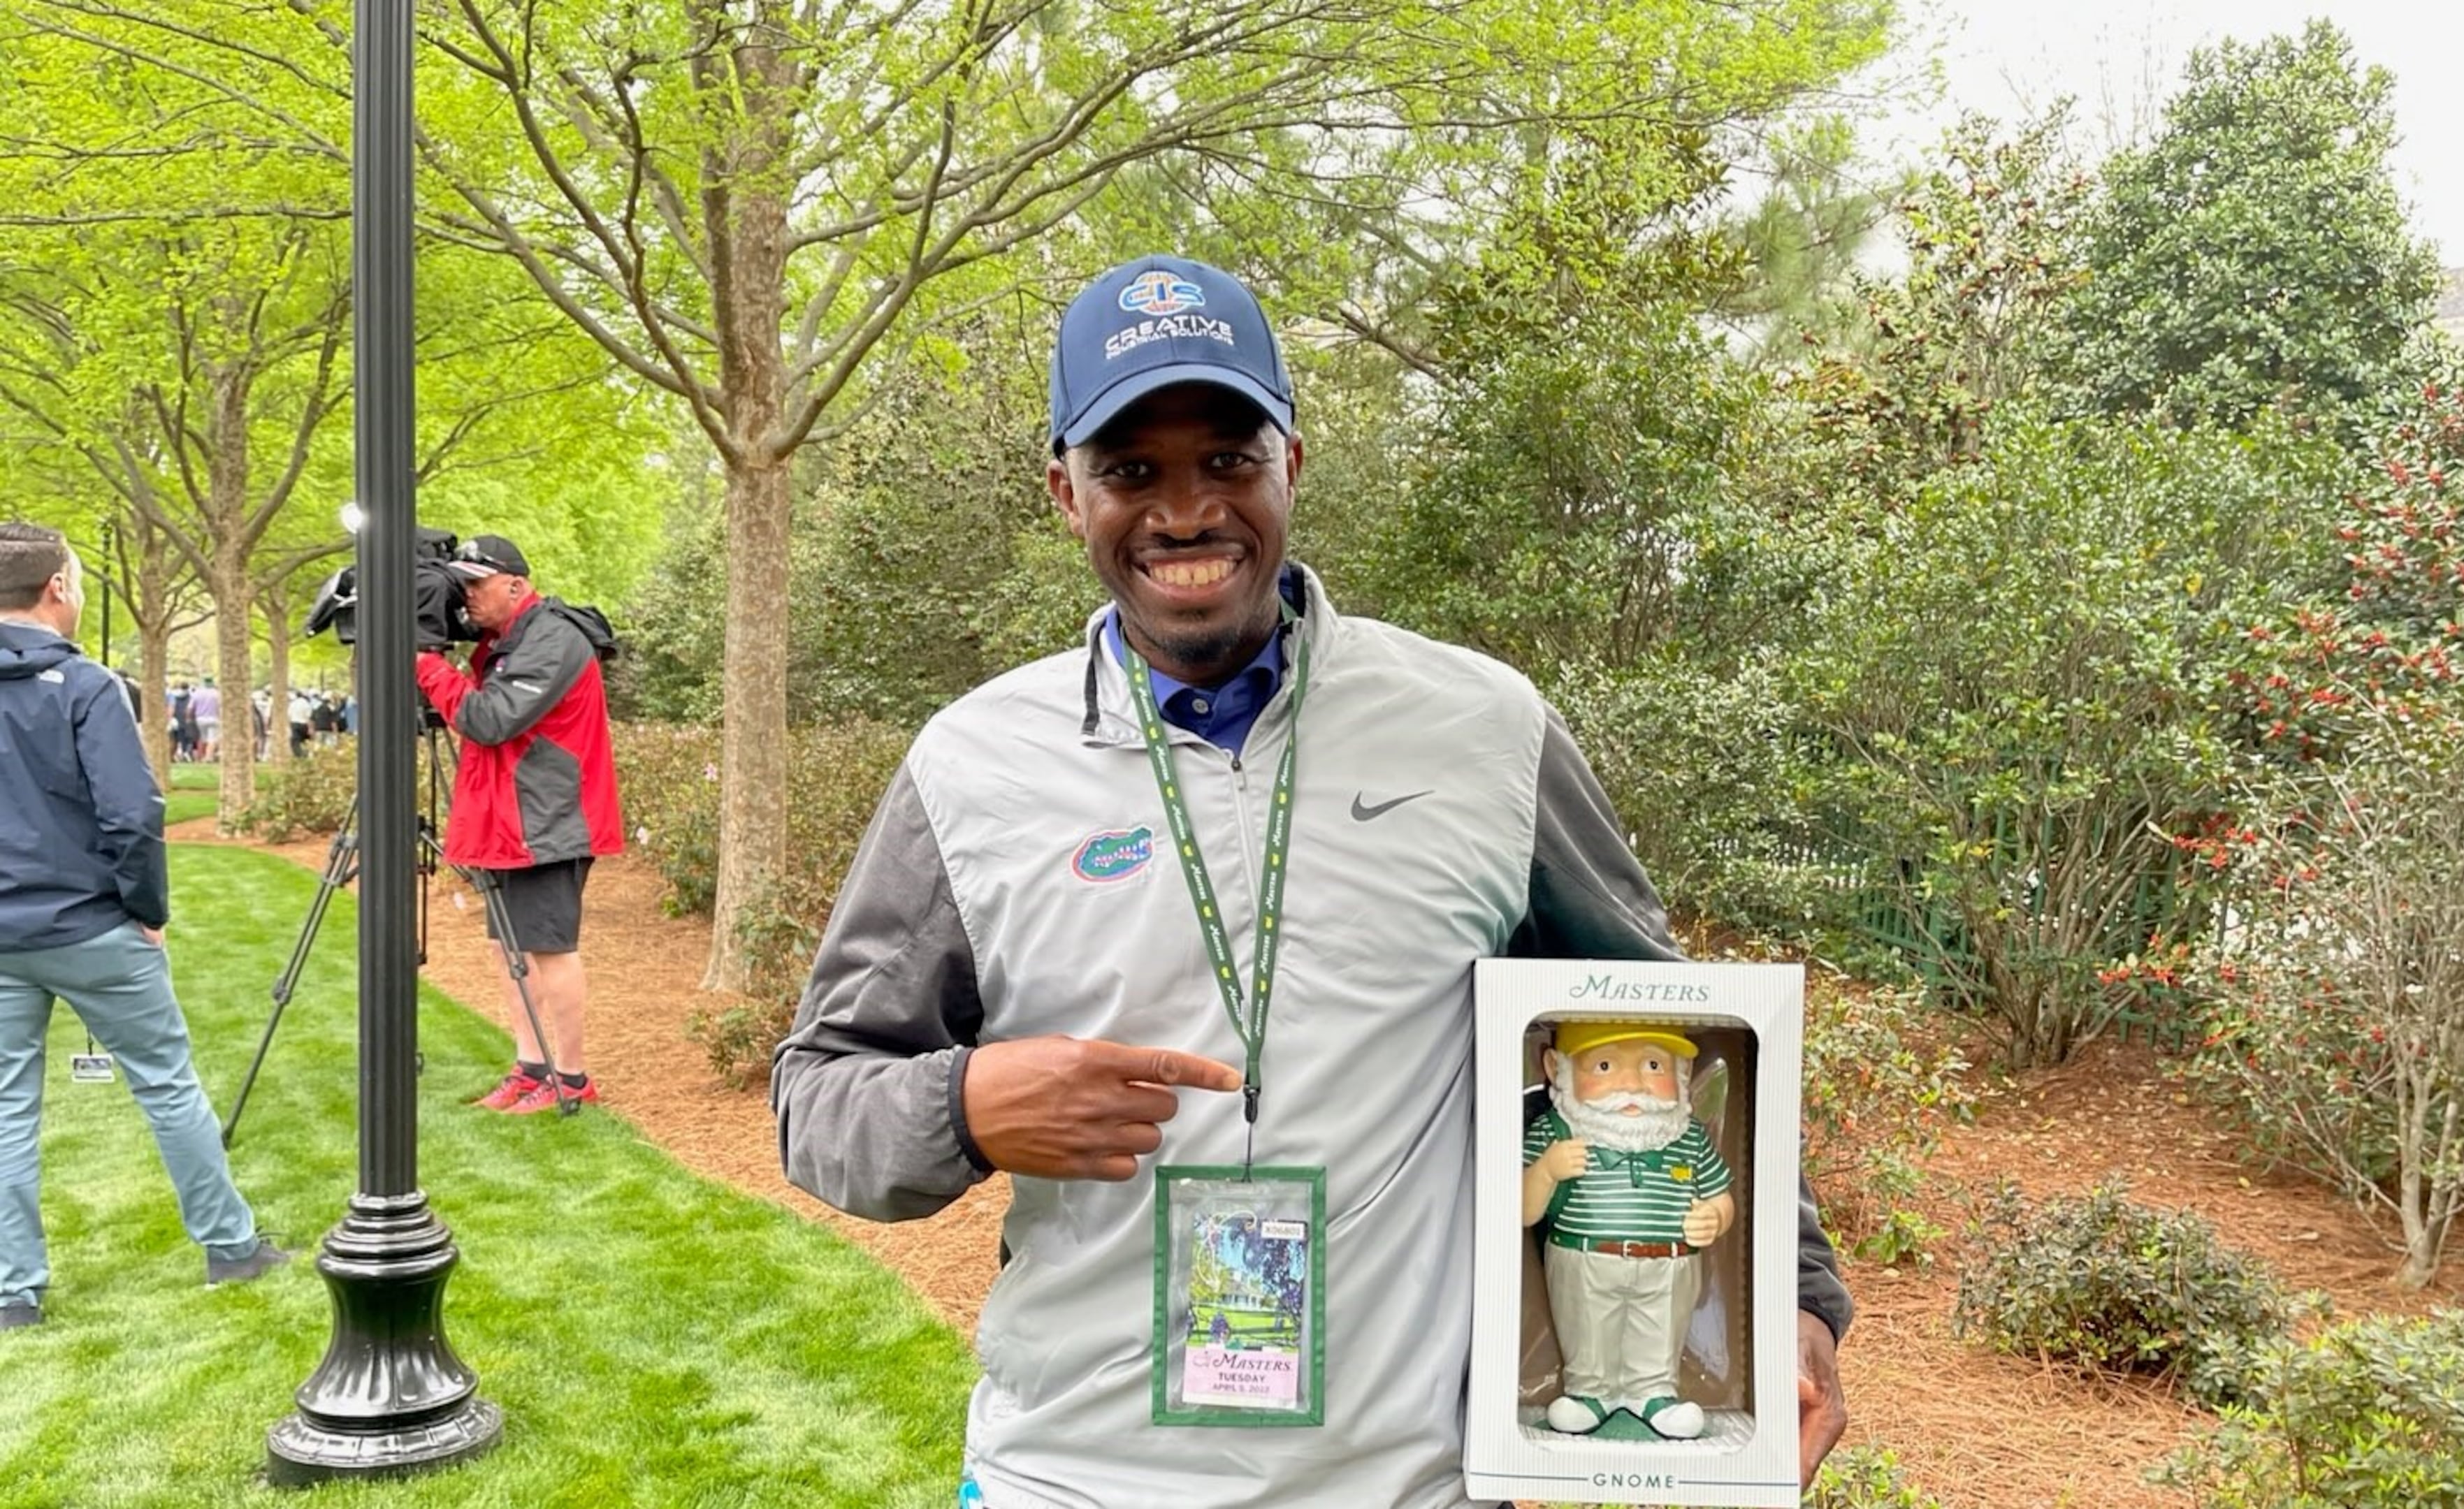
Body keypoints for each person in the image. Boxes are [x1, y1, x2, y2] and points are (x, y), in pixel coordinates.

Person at [771, 255, 1852, 1508]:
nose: (1186, 512)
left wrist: (1794, 1300)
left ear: (1296, 461)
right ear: (1065, 493)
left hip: (1414, 1484)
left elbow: (1681, 1023)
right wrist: (963, 1106)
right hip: (1073, 1476)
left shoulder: (1486, 729)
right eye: (1132, 472)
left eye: (1229, 458)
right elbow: (819, 1102)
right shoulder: (970, 765)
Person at [0, 523, 290, 1332]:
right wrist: (147, 910)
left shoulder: (84, 682)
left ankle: (13, 1293)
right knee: (167, 1084)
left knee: (5, 1110)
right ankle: (230, 1246)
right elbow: (133, 815)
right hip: (91, 925)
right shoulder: (89, 687)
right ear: (57, 588)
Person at [413, 534, 623, 1116]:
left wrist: (427, 664)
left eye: (476, 584)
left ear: (515, 584)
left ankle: (573, 1077)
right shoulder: (508, 638)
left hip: (548, 821)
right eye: (461, 584)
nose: (467, 597)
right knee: (512, 949)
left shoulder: (553, 639)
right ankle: (530, 1068)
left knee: (548, 950)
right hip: (510, 820)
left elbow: (489, 719)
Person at [1519, 1022, 1736, 1441]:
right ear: (1556, 1068)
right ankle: (1589, 1393)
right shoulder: (1554, 1132)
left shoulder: (1688, 1138)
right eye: (1604, 1066)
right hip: (1584, 1258)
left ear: (1681, 1073)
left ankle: (1653, 1393)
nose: (1633, 1084)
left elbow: (1721, 1198)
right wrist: (1546, 1172)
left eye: (1653, 1065)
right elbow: (1524, 1211)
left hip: (1669, 1263)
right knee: (1588, 1325)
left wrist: (1715, 1216)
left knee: (1660, 1326)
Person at [187, 676, 219, 762]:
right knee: (212, 739)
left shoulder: (197, 694)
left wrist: (189, 718)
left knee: (202, 738)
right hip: (214, 718)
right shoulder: (217, 694)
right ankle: (209, 757)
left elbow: (190, 708)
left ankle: (200, 757)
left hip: (200, 719)